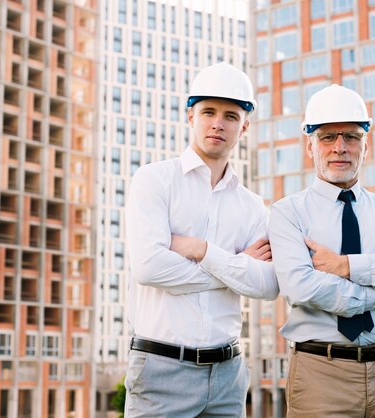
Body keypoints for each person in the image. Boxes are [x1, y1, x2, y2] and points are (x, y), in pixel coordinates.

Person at [268, 84, 375, 417]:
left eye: (350, 136)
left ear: (366, 145)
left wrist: (346, 266)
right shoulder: (288, 213)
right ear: (309, 146)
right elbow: (301, 287)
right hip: (321, 375)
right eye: (327, 137)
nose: (339, 148)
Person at [124, 62, 279, 418]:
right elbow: (149, 268)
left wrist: (200, 250)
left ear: (245, 127)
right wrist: (236, 268)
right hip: (162, 368)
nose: (218, 123)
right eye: (208, 112)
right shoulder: (153, 181)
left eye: (230, 115)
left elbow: (269, 284)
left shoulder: (252, 206)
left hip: (228, 375)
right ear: (190, 116)